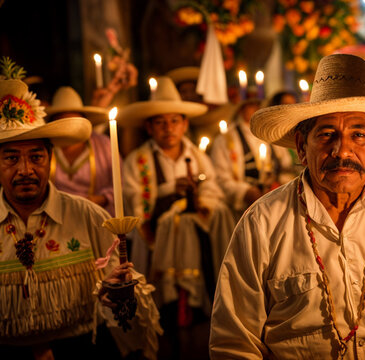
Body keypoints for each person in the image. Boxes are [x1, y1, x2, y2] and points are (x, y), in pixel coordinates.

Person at [210, 54, 365, 359]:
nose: (342, 150)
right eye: (327, 134)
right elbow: (233, 342)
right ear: (302, 147)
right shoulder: (262, 222)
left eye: (358, 135)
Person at [0, 67, 160, 359]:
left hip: (81, 348)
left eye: (36, 157)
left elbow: (123, 294)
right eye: (11, 158)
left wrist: (116, 293)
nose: (25, 170)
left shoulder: (87, 215)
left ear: (50, 157)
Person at [120, 77, 234, 358]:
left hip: (196, 248)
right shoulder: (137, 161)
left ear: (184, 124)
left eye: (174, 121)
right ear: (149, 127)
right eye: (160, 122)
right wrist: (170, 193)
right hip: (158, 249)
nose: (168, 129)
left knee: (196, 311)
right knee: (163, 311)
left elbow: (214, 193)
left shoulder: (198, 156)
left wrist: (200, 200)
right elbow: (135, 205)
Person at [45, 86, 115, 214]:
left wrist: (102, 199)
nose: (68, 128)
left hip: (97, 215)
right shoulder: (45, 149)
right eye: (62, 123)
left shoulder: (102, 144)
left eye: (73, 122)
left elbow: (120, 184)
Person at [209, 98, 281, 216]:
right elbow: (220, 177)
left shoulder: (269, 134)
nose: (255, 109)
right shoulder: (225, 139)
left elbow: (283, 166)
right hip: (239, 210)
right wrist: (245, 192)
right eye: (250, 105)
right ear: (240, 109)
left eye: (257, 104)